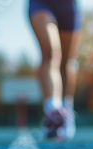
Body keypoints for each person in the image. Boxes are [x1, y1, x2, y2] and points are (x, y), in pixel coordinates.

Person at [29, 0, 81, 140]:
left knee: (67, 61)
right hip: (41, 3)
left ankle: (67, 110)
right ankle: (53, 111)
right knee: (50, 52)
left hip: (68, 6)